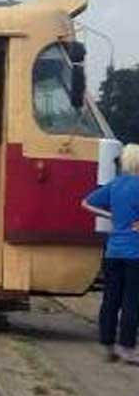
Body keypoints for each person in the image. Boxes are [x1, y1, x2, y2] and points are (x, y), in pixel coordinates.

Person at [81, 143, 139, 364]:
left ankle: (107, 343)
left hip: (113, 251)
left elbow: (85, 203)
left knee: (110, 299)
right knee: (132, 301)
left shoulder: (115, 185)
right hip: (135, 253)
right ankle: (127, 348)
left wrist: (110, 215)